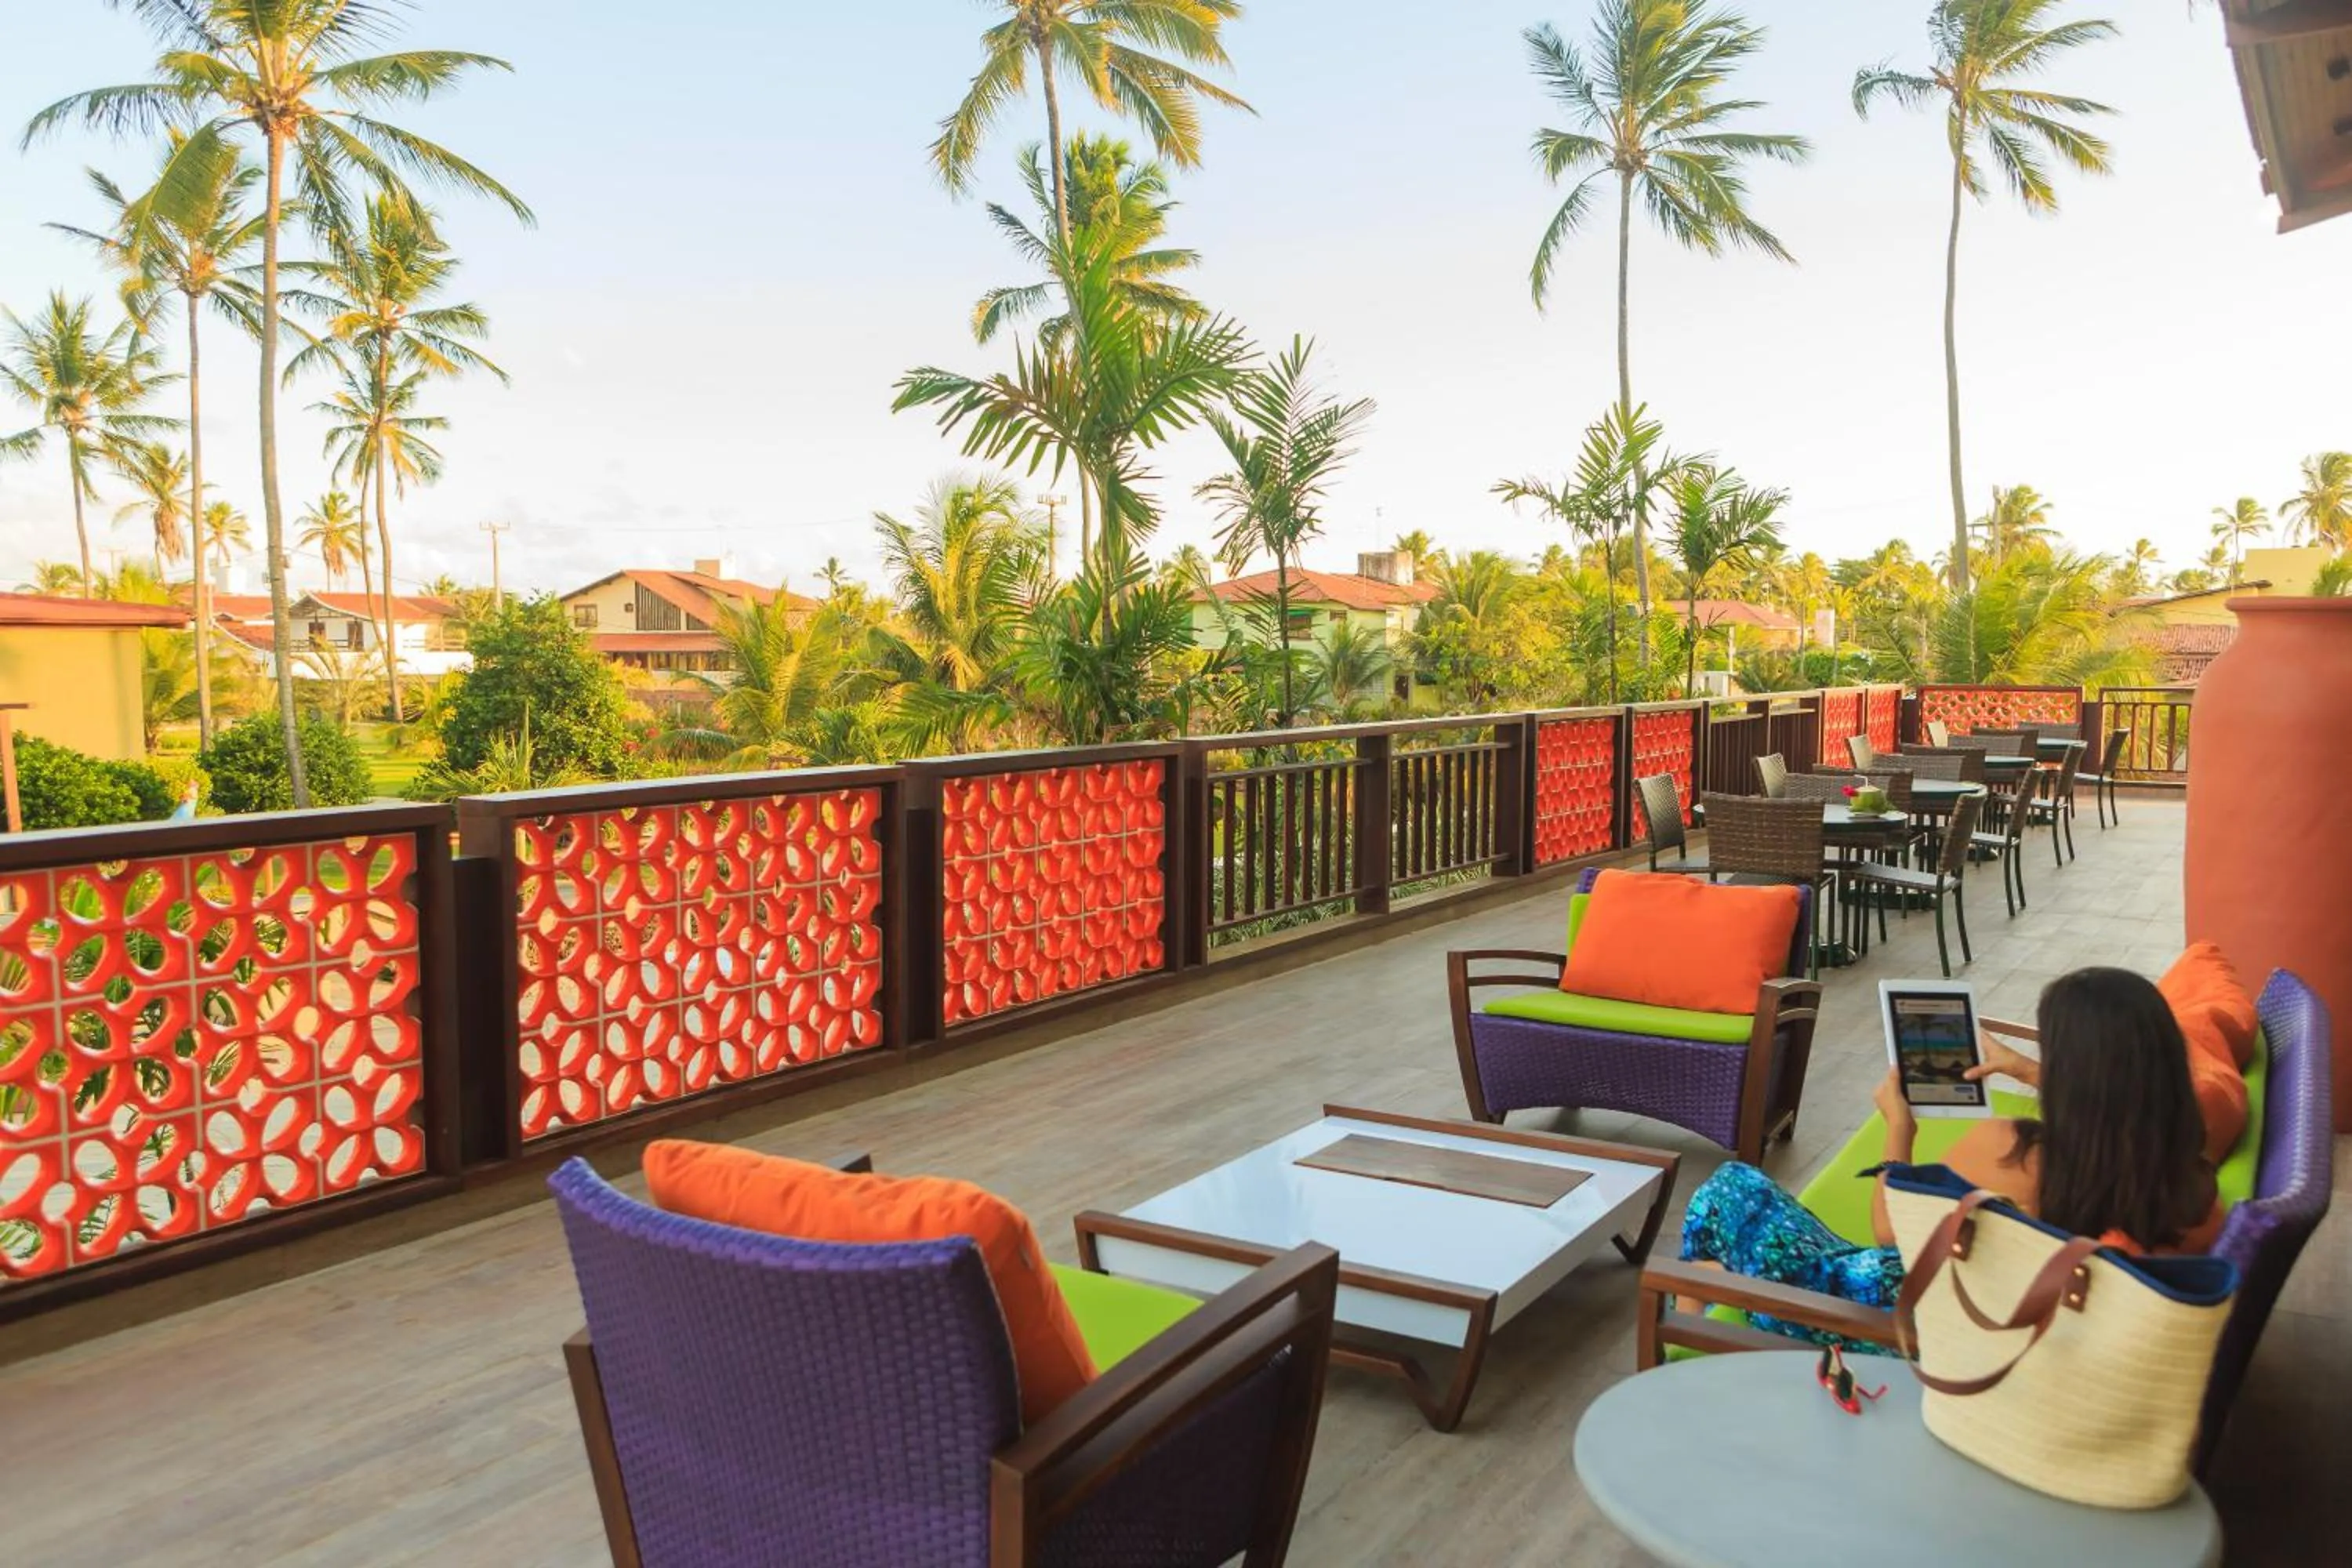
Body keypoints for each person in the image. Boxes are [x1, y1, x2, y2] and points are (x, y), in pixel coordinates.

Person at [1678, 967, 2223, 1348]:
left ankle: (1688, 1340)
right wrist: (2025, 1070)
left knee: (1730, 1187)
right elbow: (2117, 1114)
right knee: (1753, 1216)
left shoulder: (2016, 1151)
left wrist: (1900, 1128)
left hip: (1890, 1318)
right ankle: (1707, 1289)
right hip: (1975, 1304)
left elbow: (1890, 1231)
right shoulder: (2191, 1186)